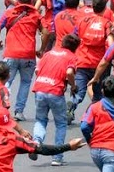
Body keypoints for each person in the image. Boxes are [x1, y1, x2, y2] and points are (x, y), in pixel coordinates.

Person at [0, 0, 47, 120]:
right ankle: (19, 111)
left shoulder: (9, 12)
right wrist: (41, 49)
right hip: (28, 55)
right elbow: (46, 32)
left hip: (11, 53)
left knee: (5, 82)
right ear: (31, 1)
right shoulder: (36, 15)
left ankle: (1, 107)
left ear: (18, 0)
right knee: (25, 83)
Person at [30, 34, 79, 166]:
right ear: (75, 48)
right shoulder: (71, 56)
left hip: (40, 88)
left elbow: (37, 70)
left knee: (40, 120)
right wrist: (73, 86)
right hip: (55, 91)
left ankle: (35, 144)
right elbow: (69, 73)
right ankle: (57, 157)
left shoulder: (48, 53)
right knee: (61, 123)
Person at [69, 0, 114, 122]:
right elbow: (111, 44)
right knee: (98, 94)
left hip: (82, 60)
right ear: (104, 8)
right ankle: (91, 117)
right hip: (99, 64)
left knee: (80, 90)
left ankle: (72, 105)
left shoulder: (82, 21)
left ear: (93, 7)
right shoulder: (107, 23)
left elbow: (73, 38)